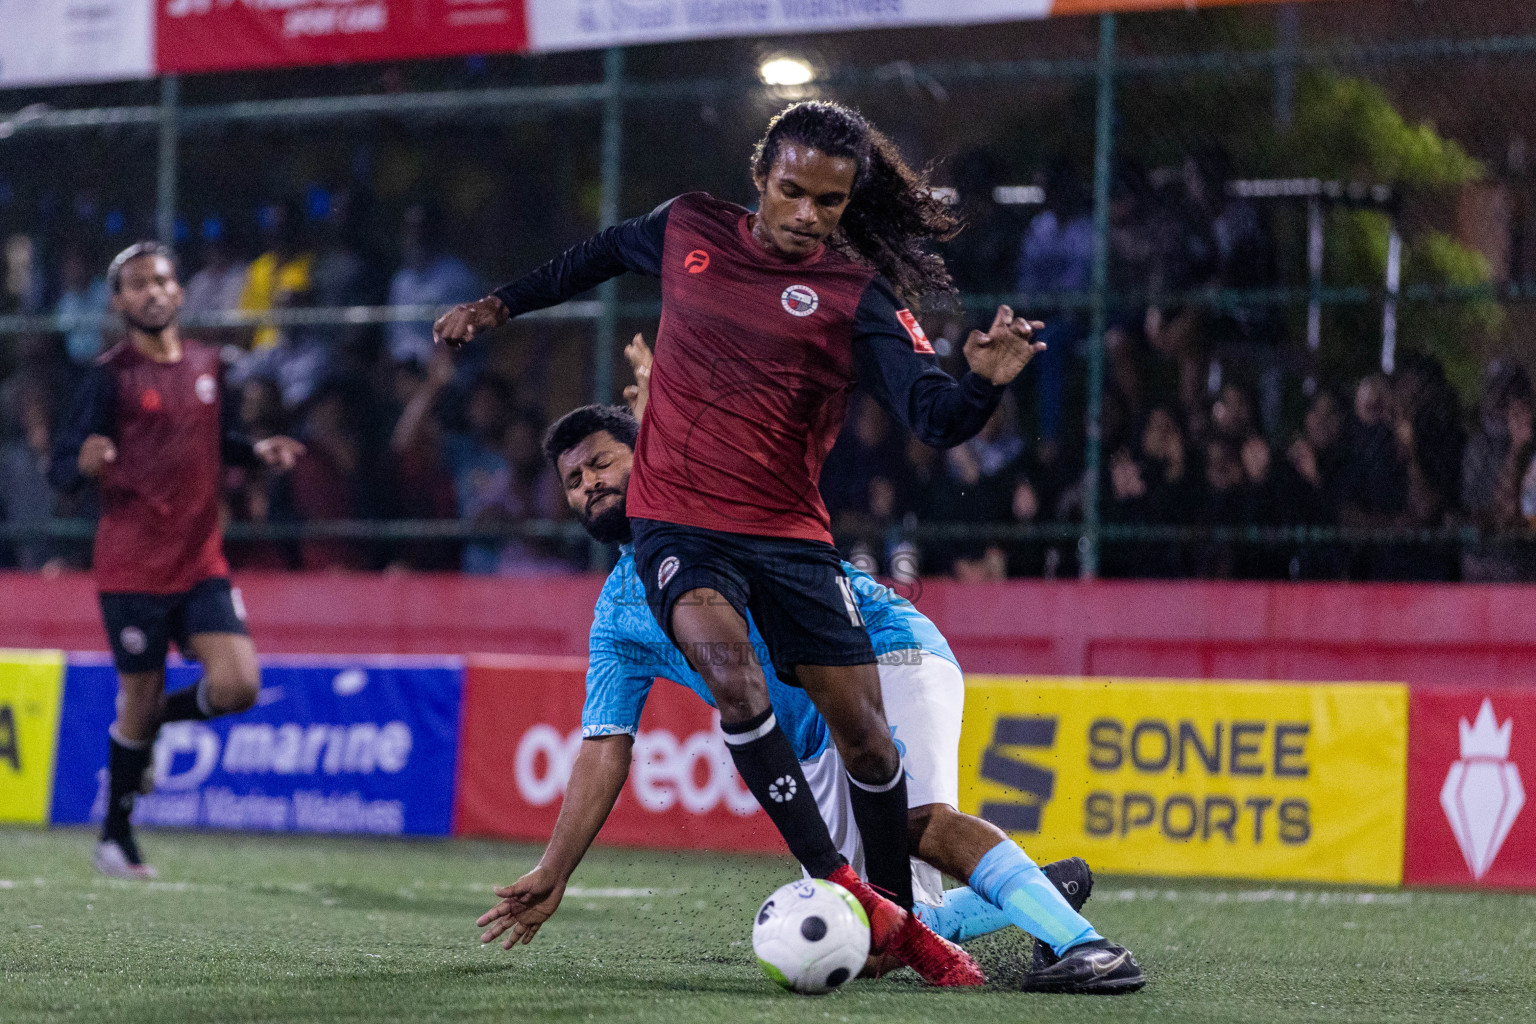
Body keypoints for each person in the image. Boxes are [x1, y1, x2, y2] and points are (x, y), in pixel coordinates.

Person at [437, 101, 1046, 986]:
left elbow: (931, 414)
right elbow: (601, 252)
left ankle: (895, 912)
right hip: (680, 527)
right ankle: (858, 896)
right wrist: (502, 303)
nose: (807, 215)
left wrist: (982, 386)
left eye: (829, 204)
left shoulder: (854, 296)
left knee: (872, 746)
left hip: (790, 536)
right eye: (792, 192)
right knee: (732, 677)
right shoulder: (689, 227)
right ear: (760, 176)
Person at [476, 387, 1144, 995]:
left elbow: (727, 436)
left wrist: (661, 397)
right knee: (869, 928)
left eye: (600, 462)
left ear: (645, 454)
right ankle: (1034, 891)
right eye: (573, 480)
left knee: (913, 821)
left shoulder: (715, 503)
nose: (589, 482)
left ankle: (1086, 947)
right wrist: (555, 870)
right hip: (817, 737)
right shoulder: (618, 617)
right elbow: (603, 747)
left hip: (886, 653)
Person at [48, 242, 306, 879]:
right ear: (119, 302)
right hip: (132, 569)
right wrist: (79, 465)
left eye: (161, 280)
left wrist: (256, 451)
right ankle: (115, 838)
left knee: (239, 686)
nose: (152, 292)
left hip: (199, 562)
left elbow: (215, 442)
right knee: (135, 701)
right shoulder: (109, 375)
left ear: (180, 291)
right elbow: (60, 465)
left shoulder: (210, 365)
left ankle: (152, 723)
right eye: (136, 285)